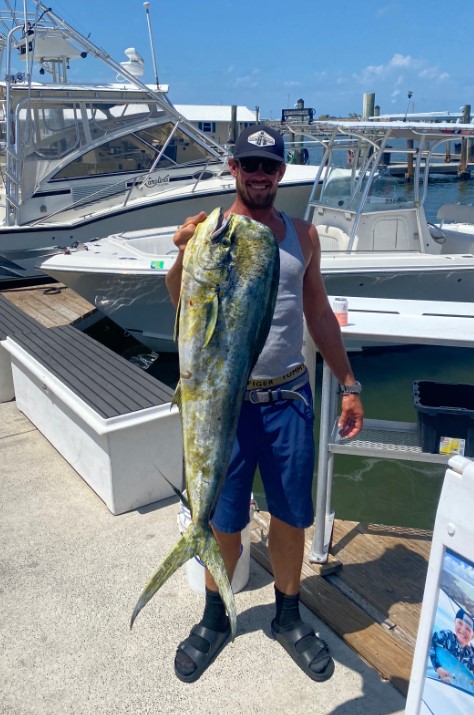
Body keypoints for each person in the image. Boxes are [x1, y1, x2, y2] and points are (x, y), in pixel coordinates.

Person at [165, 124, 364, 684]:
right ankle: (215, 619)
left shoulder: (304, 234)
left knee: (290, 515)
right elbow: (180, 299)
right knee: (223, 518)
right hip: (223, 405)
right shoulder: (211, 229)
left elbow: (319, 313)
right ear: (233, 169)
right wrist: (181, 254)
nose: (258, 175)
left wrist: (348, 382)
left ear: (281, 173)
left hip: (289, 398)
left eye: (268, 166)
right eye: (248, 165)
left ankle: (288, 615)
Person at [430, 608, 474, 684]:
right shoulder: (447, 636)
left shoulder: (472, 654)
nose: (463, 630)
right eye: (460, 623)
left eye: (468, 629)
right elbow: (429, 641)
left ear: (473, 636)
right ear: (454, 622)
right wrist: (438, 668)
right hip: (440, 679)